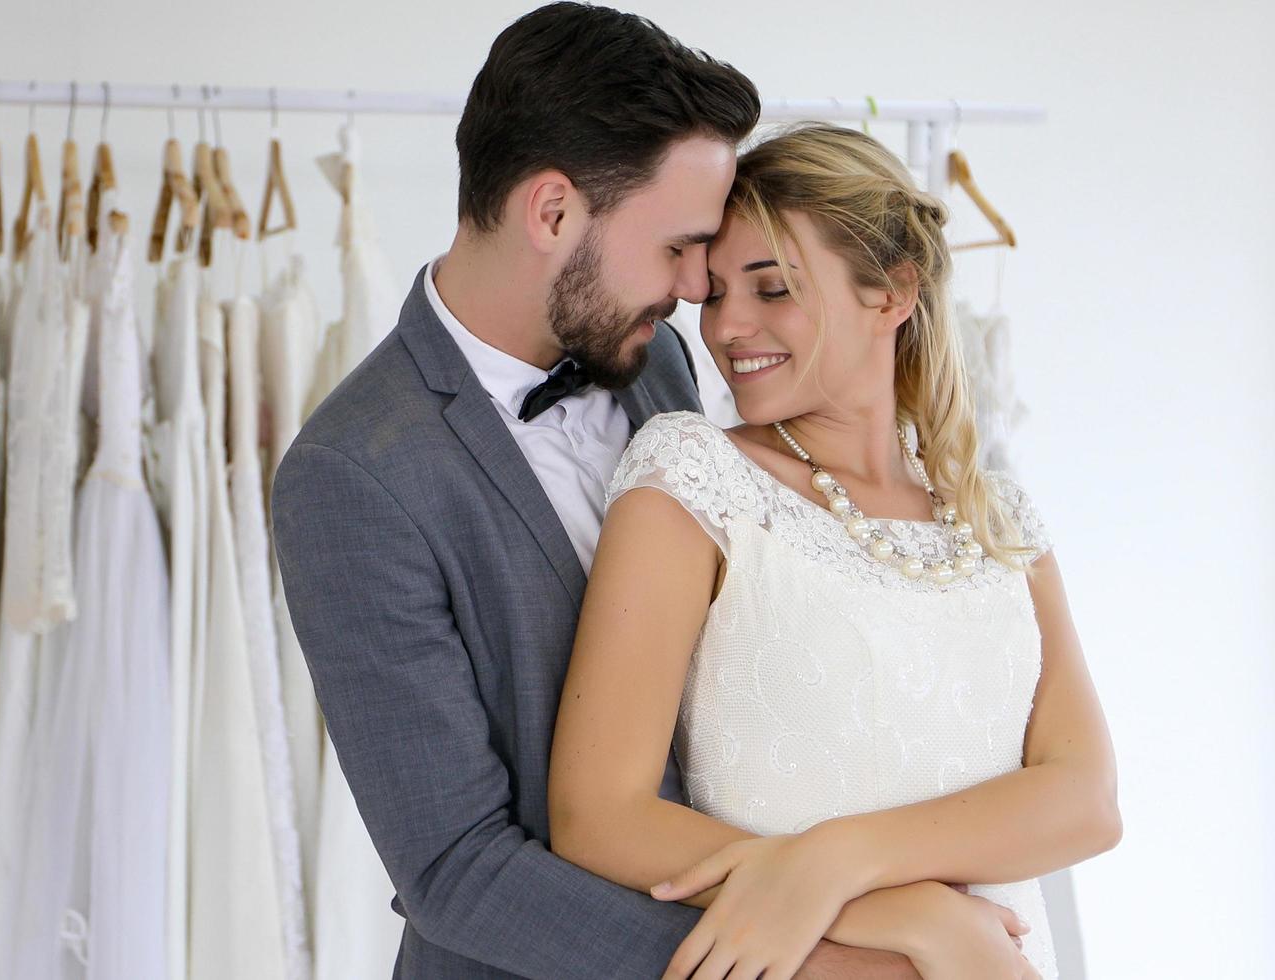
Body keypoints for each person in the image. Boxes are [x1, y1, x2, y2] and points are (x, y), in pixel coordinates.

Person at [274, 5, 1024, 975]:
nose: (693, 288)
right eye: (675, 246)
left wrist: (858, 887)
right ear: (551, 213)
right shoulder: (351, 474)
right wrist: (830, 960)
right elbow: (458, 870)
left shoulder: (656, 357)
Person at [547, 123, 1122, 980]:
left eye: (772, 288)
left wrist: (838, 860)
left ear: (892, 293)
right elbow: (599, 814)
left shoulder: (993, 514)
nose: (728, 328)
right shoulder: (691, 476)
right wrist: (912, 915)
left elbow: (1085, 801)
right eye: (713, 296)